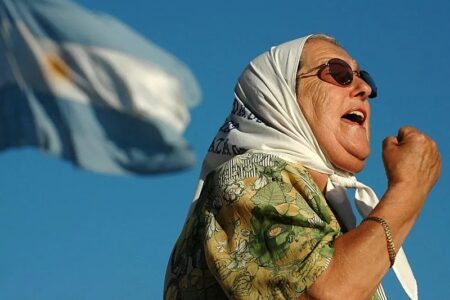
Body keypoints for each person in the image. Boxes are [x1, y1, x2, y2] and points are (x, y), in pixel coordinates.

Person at [164, 34, 441, 300]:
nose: (364, 88)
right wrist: (409, 188)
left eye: (363, 77)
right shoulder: (248, 176)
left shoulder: (327, 217)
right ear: (280, 96)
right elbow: (326, 293)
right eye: (338, 73)